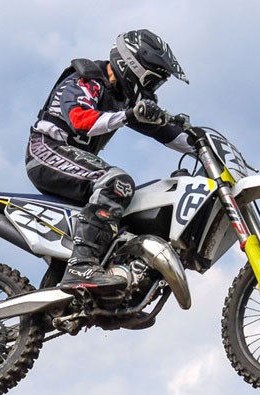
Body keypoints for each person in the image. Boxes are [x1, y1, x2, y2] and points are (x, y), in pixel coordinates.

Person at [25, 29, 191, 294]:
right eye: (152, 80)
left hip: (74, 163)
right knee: (117, 183)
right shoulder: (86, 80)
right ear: (134, 66)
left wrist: (202, 146)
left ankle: (72, 287)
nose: (151, 89)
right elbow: (81, 120)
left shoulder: (125, 98)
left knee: (127, 214)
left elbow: (167, 134)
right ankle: (80, 268)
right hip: (46, 150)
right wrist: (128, 115)